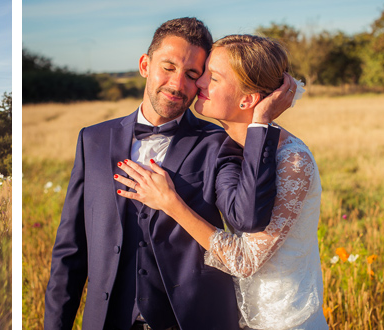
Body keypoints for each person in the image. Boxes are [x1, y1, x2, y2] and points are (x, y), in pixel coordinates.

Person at [44, 18, 296, 330]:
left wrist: (260, 121)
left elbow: (248, 218)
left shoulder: (217, 143)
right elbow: (70, 250)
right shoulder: (92, 139)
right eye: (168, 67)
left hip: (193, 320)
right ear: (144, 64)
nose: (177, 84)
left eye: (192, 75)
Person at [115, 34, 327, 329]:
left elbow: (245, 260)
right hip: (233, 316)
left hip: (281, 321)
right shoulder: (230, 146)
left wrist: (171, 203)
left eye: (212, 78)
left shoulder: (293, 162)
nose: (198, 83)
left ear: (248, 100)